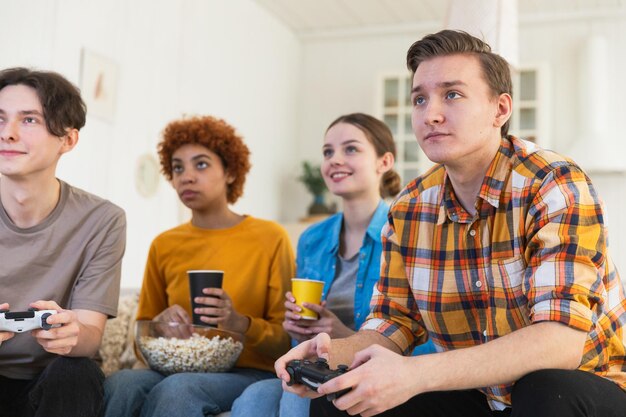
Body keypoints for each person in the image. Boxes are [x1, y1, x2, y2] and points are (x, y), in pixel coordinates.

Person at [276, 30, 626, 417]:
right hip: (481, 394)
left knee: (546, 388)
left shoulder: (553, 183)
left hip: (589, 385)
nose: (431, 114)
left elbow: (560, 343)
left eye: (452, 94)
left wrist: (415, 374)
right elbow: (393, 324)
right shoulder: (409, 207)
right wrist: (328, 351)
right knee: (344, 396)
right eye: (420, 99)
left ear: (501, 109)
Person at [231, 113, 436, 417]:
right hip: (316, 365)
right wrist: (298, 328)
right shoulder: (312, 238)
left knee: (299, 399)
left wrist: (343, 334)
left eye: (350, 149)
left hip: (372, 370)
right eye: (328, 152)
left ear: (384, 161)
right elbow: (301, 334)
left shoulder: (408, 233)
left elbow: (429, 342)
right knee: (253, 399)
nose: (335, 159)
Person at [104, 115, 295, 417]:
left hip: (249, 372)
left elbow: (286, 341)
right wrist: (160, 327)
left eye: (201, 164)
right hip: (178, 366)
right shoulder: (164, 244)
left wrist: (237, 323)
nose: (186, 176)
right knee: (121, 383)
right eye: (178, 167)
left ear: (230, 172)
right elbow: (141, 342)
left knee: (179, 389)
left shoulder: (271, 238)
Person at [0, 67, 126, 417]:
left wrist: (71, 334)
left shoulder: (102, 220)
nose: (7, 134)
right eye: (0, 118)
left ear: (68, 140)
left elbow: (89, 335)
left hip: (52, 380)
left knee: (76, 370)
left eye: (28, 120)